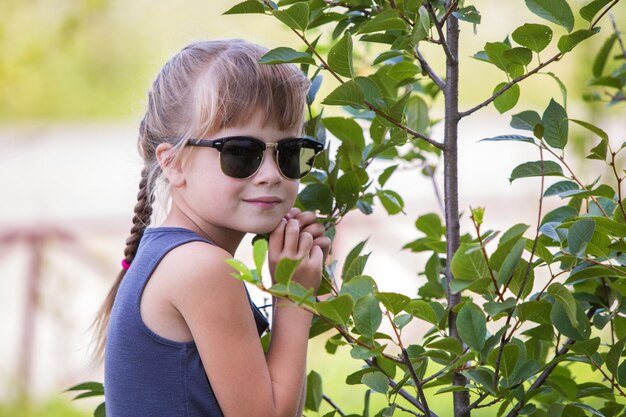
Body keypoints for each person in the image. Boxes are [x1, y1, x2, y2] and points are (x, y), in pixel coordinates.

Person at [94, 39, 330, 417]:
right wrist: (293, 296)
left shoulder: (169, 256)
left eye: (289, 153)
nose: (271, 175)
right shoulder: (201, 268)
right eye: (240, 152)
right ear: (174, 164)